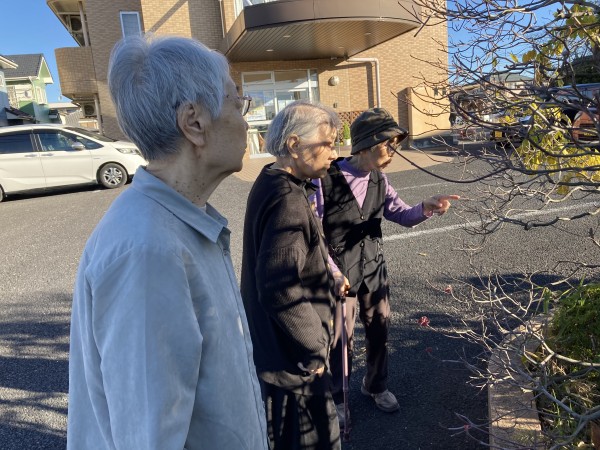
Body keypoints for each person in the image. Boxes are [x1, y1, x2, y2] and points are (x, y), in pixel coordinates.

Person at [67, 35, 269, 450]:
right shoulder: (149, 250)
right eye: (237, 103)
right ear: (194, 122)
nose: (246, 121)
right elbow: (148, 439)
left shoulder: (177, 225)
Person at [313, 108, 460, 425]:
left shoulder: (380, 180)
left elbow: (402, 214)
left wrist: (426, 207)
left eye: (395, 144)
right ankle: (338, 397)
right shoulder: (324, 179)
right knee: (341, 340)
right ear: (366, 145)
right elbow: (314, 235)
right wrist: (332, 271)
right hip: (339, 274)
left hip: (374, 269)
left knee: (379, 329)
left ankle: (375, 385)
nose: (393, 151)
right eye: (388, 144)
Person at [241, 100, 347, 450]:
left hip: (277, 353)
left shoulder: (270, 179)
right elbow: (278, 286)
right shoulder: (287, 200)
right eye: (327, 143)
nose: (334, 153)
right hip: (293, 364)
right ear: (294, 144)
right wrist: (316, 347)